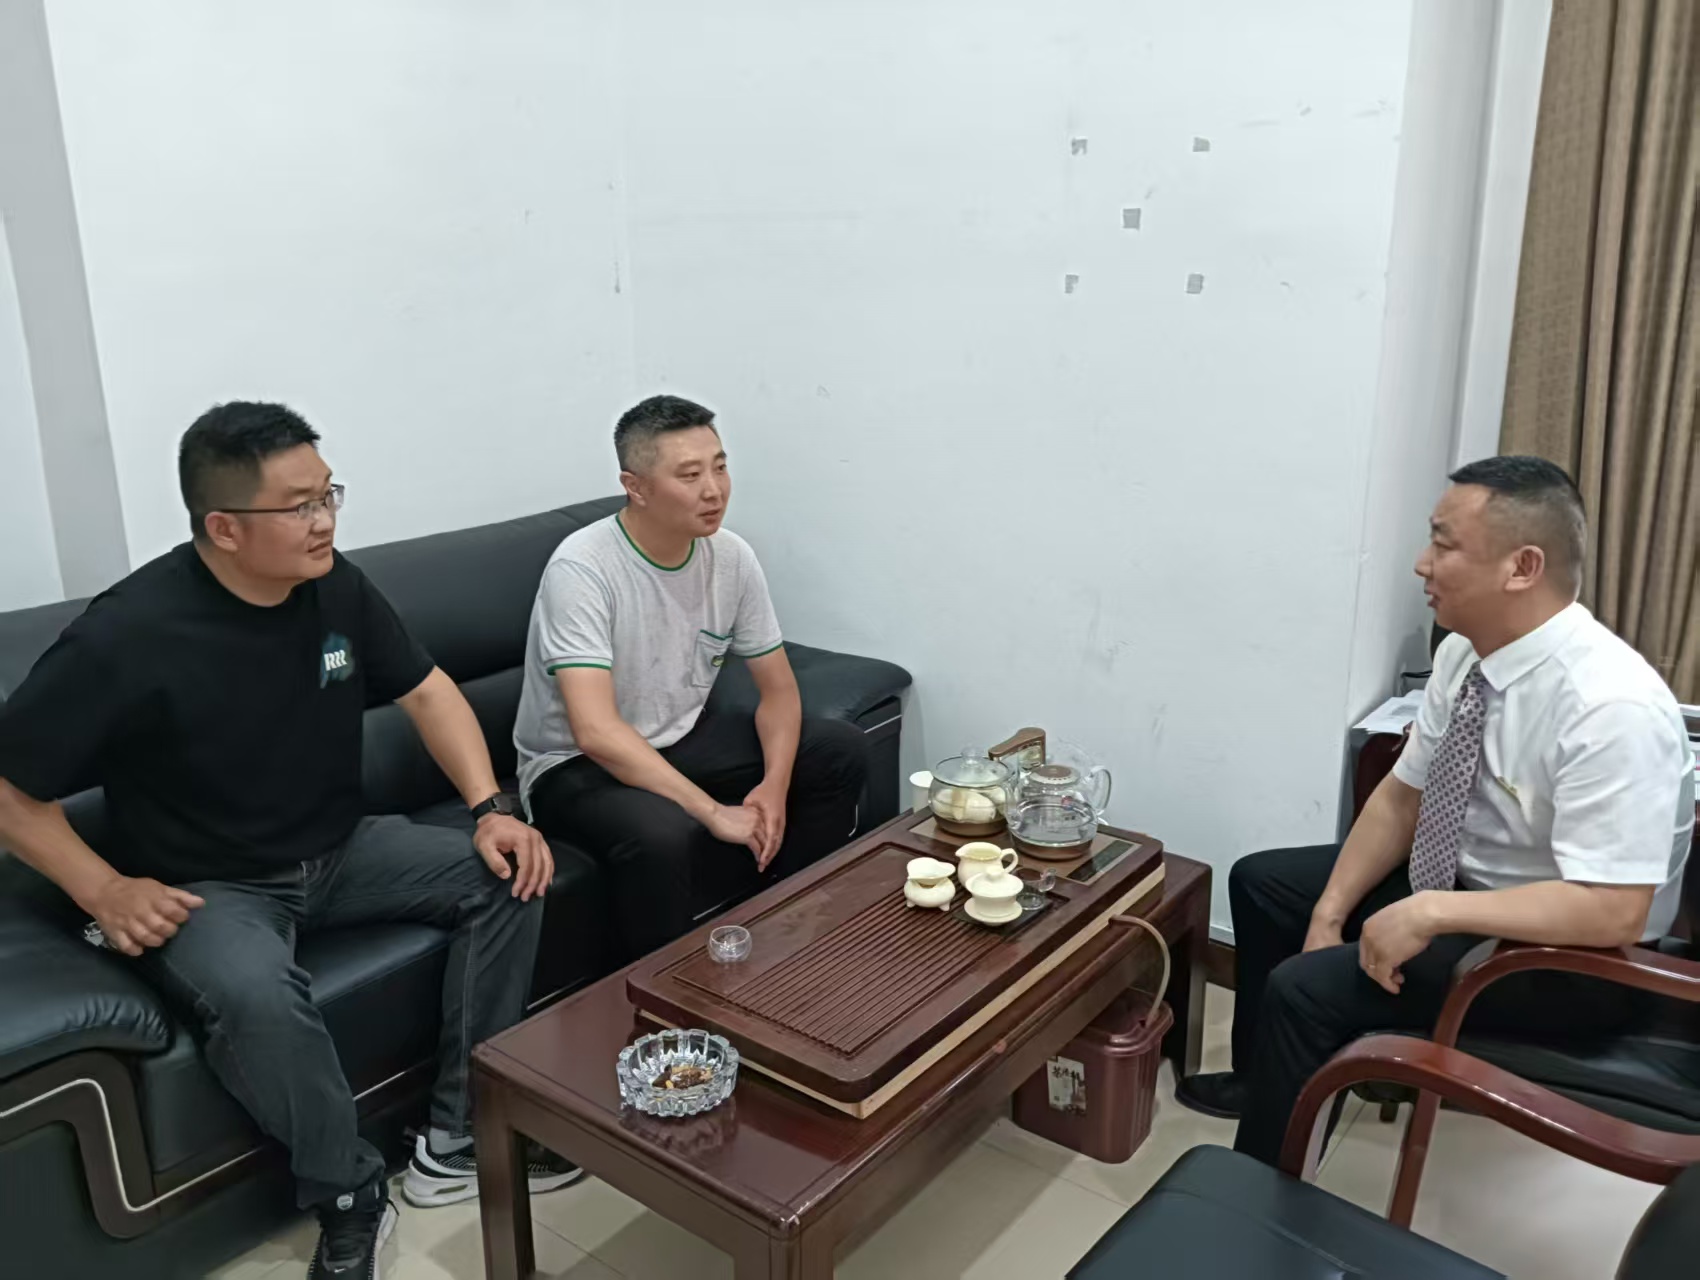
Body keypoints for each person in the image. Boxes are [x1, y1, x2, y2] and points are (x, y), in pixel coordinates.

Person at [0, 403, 583, 1280]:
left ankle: (459, 1138)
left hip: (341, 850)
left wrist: (491, 807)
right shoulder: (127, 635)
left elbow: (428, 690)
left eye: (328, 495)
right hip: (213, 886)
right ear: (224, 528)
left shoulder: (335, 586)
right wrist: (102, 888)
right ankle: (348, 1192)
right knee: (259, 995)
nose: (325, 521)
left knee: (510, 872)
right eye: (300, 505)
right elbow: (11, 790)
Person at [1175, 455, 1695, 1165]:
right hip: (1466, 887)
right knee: (1264, 885)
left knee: (1303, 990)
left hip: (1574, 958)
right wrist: (1329, 915)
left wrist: (1430, 912)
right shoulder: (1466, 656)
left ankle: (1262, 1194)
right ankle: (1269, 1081)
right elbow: (1402, 796)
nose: (1422, 564)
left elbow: (1615, 911)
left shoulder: (1610, 707)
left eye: (1444, 544)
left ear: (1522, 567)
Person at [516, 394, 869, 960]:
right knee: (662, 833)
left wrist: (774, 787)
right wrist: (712, 812)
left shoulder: (730, 557)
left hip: (678, 737)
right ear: (636, 487)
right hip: (575, 765)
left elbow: (779, 692)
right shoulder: (582, 569)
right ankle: (664, 993)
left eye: (720, 467)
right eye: (690, 475)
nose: (714, 490)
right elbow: (596, 731)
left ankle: (792, 932)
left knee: (837, 749)